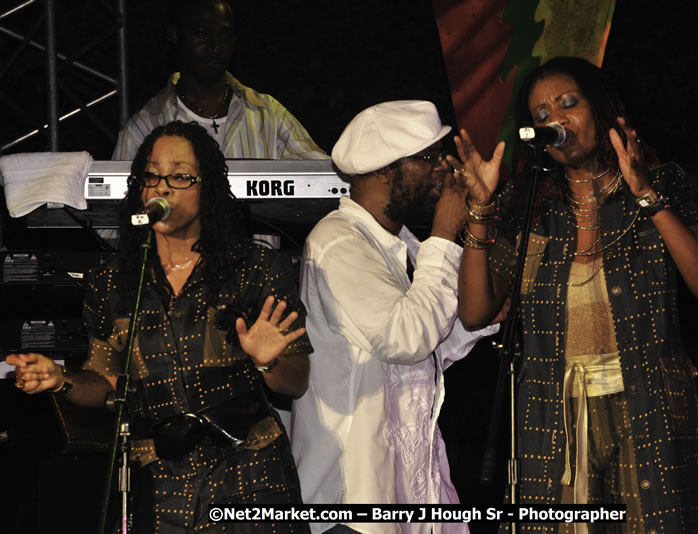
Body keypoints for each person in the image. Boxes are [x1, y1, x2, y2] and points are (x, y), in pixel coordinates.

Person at [452, 57, 698, 533]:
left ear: (601, 108)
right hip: (555, 414)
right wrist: (481, 209)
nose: (555, 119)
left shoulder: (668, 184)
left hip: (648, 408)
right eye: (542, 115)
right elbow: (475, 312)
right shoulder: (531, 207)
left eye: (568, 103)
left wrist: (647, 195)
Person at [8, 121, 313, 533]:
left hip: (250, 476)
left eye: (180, 176)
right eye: (151, 176)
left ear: (208, 189)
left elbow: (296, 382)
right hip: (162, 485)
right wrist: (62, 380)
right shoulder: (112, 282)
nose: (162, 188)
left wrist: (268, 361)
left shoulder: (256, 268)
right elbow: (106, 381)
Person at [290, 100, 499, 534]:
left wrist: (479, 215)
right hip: (354, 504)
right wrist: (444, 236)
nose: (442, 170)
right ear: (387, 170)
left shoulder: (400, 244)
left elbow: (443, 341)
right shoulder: (337, 242)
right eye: (428, 158)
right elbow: (406, 338)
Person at [112, 0, 326, 160]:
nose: (214, 46)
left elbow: (322, 180)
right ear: (175, 36)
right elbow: (122, 205)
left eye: (224, 36)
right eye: (201, 33)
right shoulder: (144, 129)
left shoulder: (268, 114)